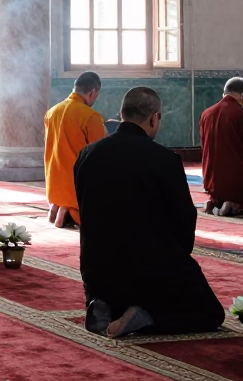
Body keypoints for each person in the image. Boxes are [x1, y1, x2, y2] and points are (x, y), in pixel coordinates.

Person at [75, 86, 225, 339]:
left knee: (117, 280)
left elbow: (85, 210)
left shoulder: (88, 154)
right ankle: (146, 318)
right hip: (149, 269)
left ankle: (104, 304)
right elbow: (184, 218)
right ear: (155, 117)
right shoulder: (164, 159)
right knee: (210, 314)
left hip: (98, 270)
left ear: (121, 114)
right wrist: (178, 258)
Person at [44, 71, 106, 228]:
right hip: (78, 189)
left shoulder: (52, 112)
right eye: (96, 95)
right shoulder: (90, 115)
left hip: (55, 186)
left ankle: (60, 207)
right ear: (92, 92)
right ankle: (71, 210)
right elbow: (100, 154)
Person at [199, 78, 243, 217]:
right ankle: (234, 204)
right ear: (242, 95)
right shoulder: (240, 113)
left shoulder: (206, 114)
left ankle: (215, 202)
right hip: (236, 184)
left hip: (211, 182)